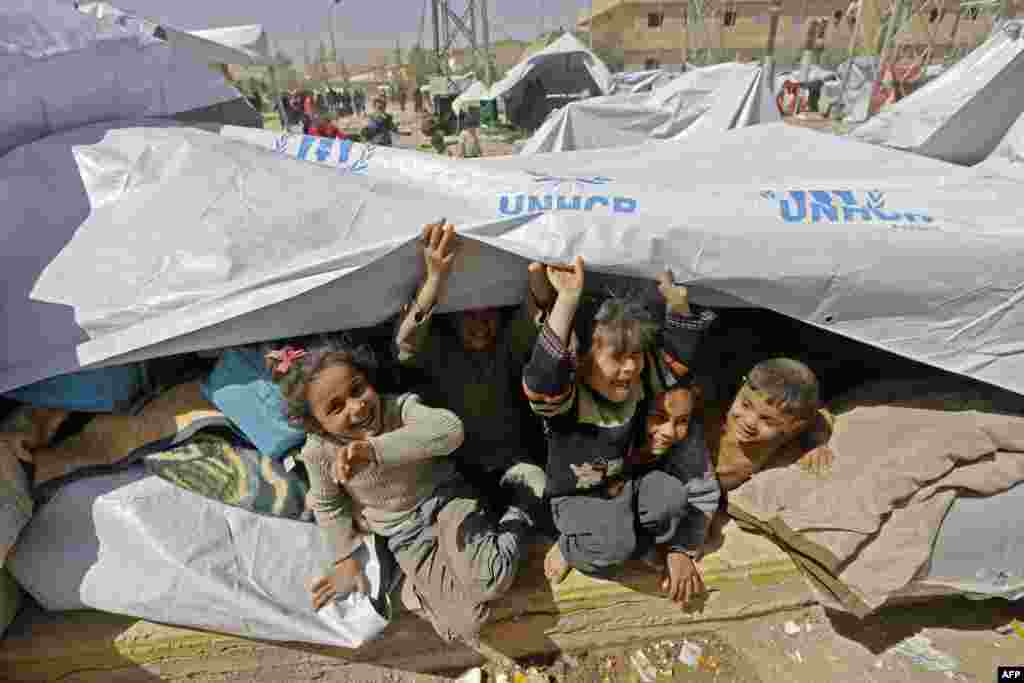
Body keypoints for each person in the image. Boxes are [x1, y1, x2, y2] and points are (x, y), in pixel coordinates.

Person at [270, 336, 531, 645]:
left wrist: (372, 450)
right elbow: (328, 505)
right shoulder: (318, 452)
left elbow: (450, 431)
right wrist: (344, 559)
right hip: (405, 535)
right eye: (336, 407)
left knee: (489, 581)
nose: (357, 407)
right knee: (464, 627)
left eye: (357, 389)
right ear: (317, 424)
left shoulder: (400, 408)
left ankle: (519, 504)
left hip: (446, 502)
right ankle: (418, 590)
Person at [522, 258, 717, 607]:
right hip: (575, 499)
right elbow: (542, 380)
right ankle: (570, 545)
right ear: (585, 361)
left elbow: (676, 361)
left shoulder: (637, 388)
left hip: (622, 487)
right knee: (613, 544)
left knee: (671, 497)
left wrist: (676, 304)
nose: (630, 367)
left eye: (636, 357)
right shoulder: (570, 401)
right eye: (617, 357)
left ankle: (626, 538)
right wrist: (566, 300)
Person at [396, 223, 550, 526]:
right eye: (469, 315)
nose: (480, 325)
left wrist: (538, 267)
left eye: (488, 314)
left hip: (511, 463)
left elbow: (536, 313)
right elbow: (406, 343)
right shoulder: (438, 352)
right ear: (451, 318)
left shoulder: (506, 345)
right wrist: (435, 278)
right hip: (456, 471)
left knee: (539, 488)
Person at [709, 358, 834, 492]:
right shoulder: (711, 423)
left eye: (767, 420)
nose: (749, 422)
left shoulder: (785, 441)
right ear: (740, 388)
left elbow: (820, 416)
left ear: (795, 427)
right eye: (745, 405)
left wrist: (816, 442)